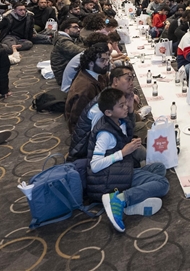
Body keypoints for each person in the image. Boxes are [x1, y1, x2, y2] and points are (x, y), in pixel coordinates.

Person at [90, 88, 169, 232]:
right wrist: (123, 152)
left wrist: (131, 109)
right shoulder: (104, 133)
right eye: (121, 106)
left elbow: (129, 129)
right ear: (108, 112)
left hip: (120, 169)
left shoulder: (117, 120)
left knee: (159, 168)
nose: (125, 107)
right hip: (108, 177)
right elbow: (94, 165)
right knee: (163, 184)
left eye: (124, 103)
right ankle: (120, 199)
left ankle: (133, 200)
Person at [64, 43, 111, 132]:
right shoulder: (86, 87)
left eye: (107, 60)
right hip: (87, 129)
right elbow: (77, 119)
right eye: (102, 60)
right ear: (91, 63)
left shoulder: (96, 73)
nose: (106, 63)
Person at [51, 18, 83, 85]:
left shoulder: (74, 37)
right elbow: (78, 51)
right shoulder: (63, 41)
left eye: (78, 27)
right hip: (63, 76)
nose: (79, 29)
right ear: (66, 30)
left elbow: (86, 41)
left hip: (69, 69)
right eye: (75, 27)